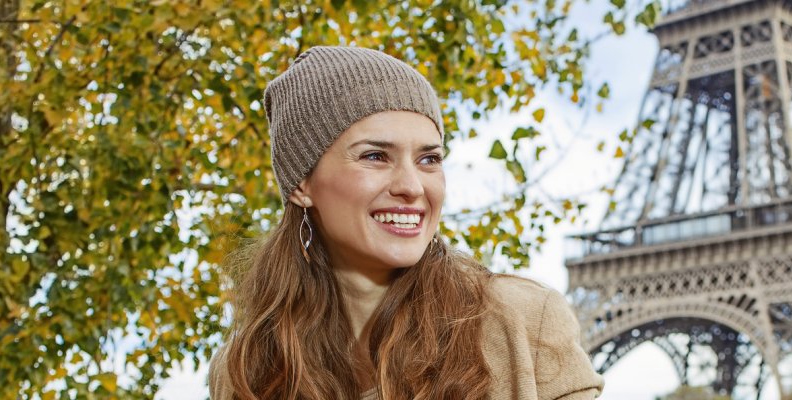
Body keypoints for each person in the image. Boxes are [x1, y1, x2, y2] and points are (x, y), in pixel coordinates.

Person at [208, 46, 604, 400]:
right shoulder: (244, 370)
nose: (413, 187)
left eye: (429, 159)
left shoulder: (524, 323)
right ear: (301, 183)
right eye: (375, 156)